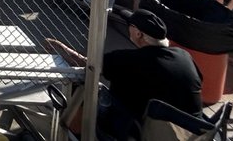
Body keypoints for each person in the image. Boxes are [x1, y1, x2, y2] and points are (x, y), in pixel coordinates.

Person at [45, 9, 202, 139]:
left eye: (130, 26)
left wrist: (60, 47)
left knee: (82, 86)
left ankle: (76, 134)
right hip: (191, 131)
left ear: (138, 34)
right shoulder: (184, 56)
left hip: (141, 131)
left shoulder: (128, 60)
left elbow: (87, 64)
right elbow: (199, 81)